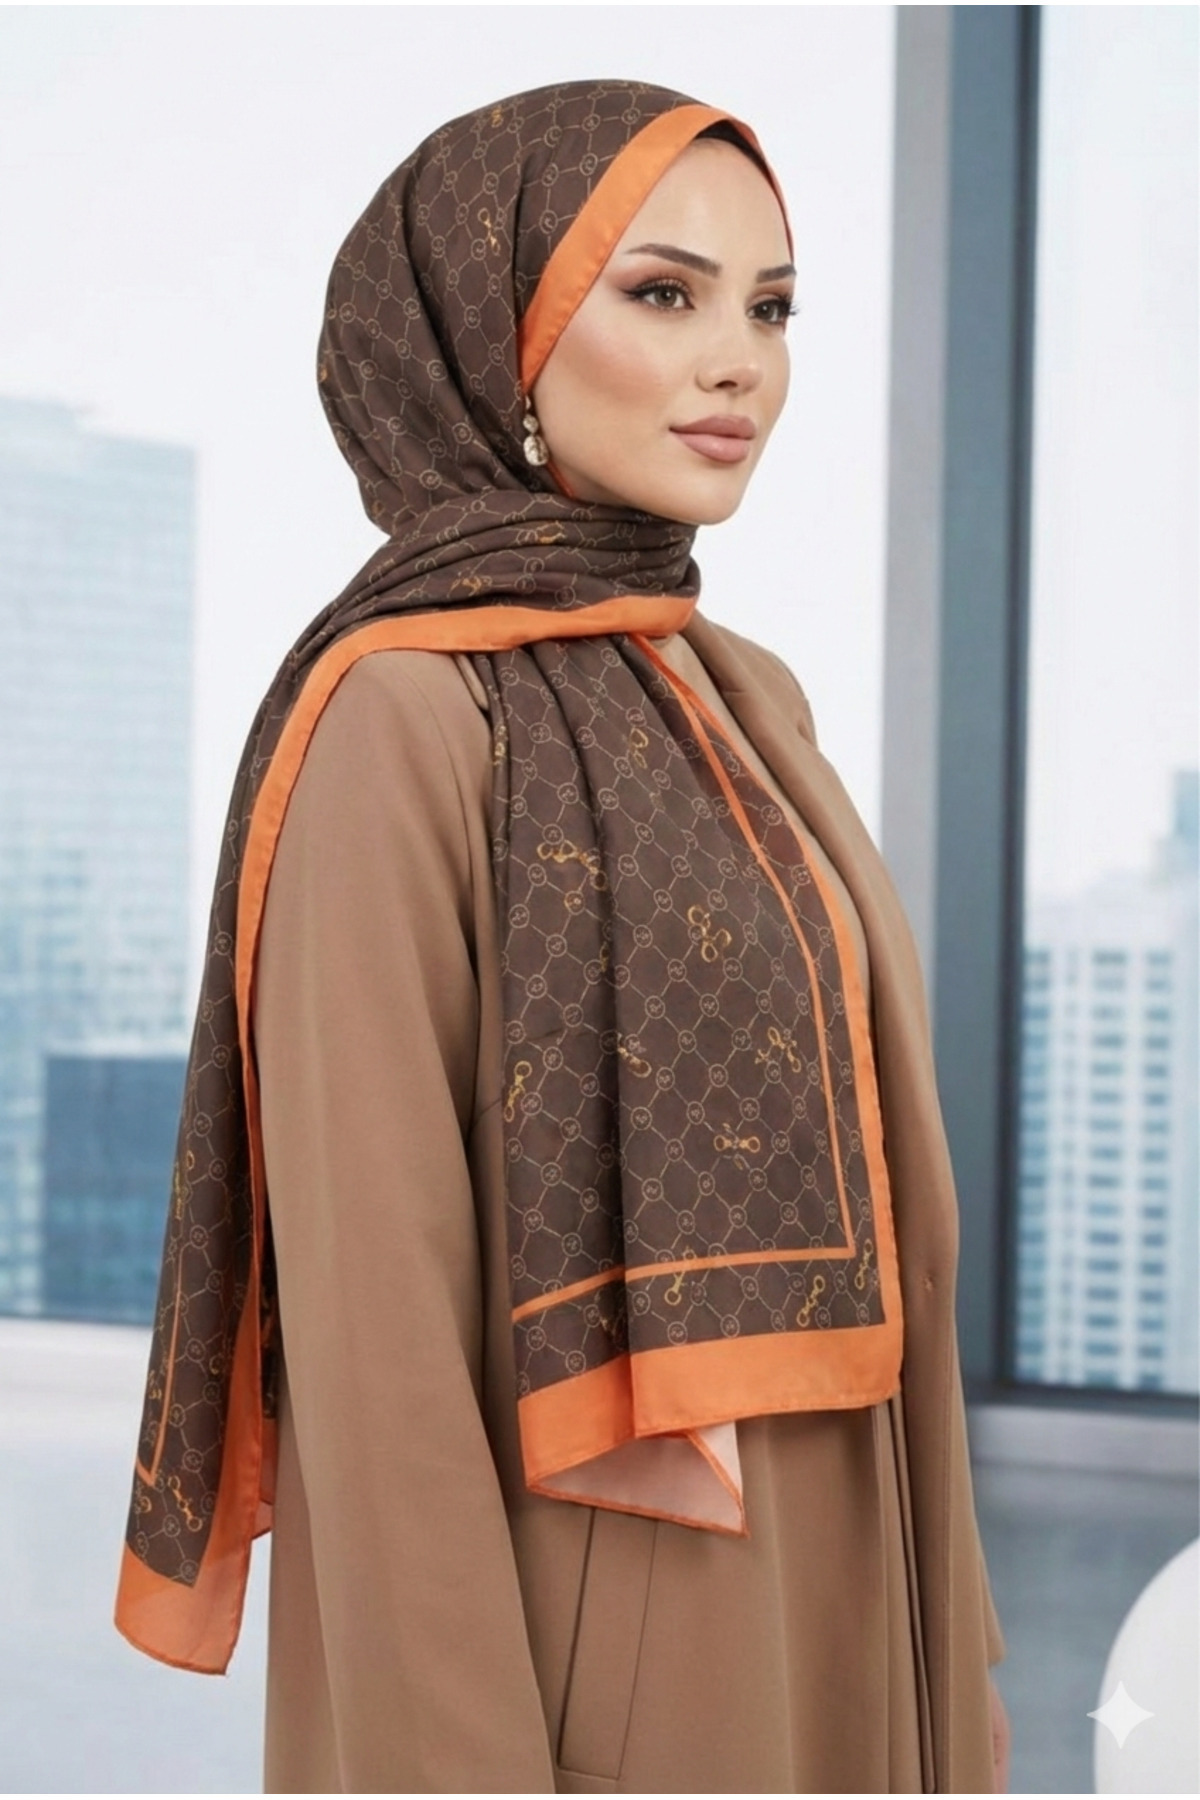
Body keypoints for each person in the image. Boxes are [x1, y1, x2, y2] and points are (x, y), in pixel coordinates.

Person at [116, 80, 1011, 1794]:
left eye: (772, 310)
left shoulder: (745, 697)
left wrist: (948, 1653)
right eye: (664, 294)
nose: (738, 362)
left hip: (851, 1579)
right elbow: (377, 1341)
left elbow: (900, 1220)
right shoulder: (400, 721)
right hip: (600, 1645)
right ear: (485, 335)